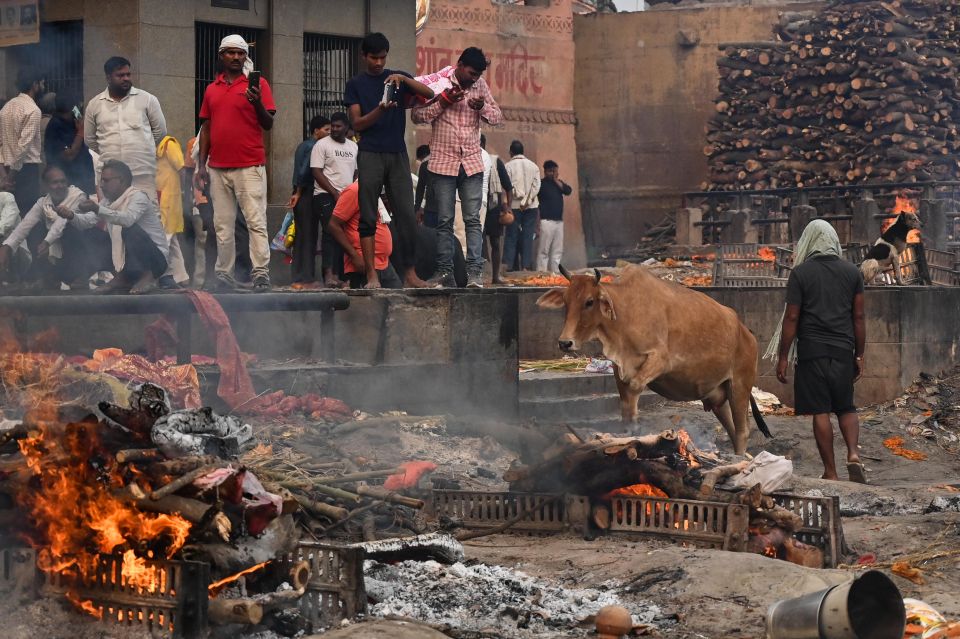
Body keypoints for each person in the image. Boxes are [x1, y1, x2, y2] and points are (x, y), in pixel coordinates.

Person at [771, 219, 866, 483]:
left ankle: (831, 472)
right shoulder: (852, 273)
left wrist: (782, 357)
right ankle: (853, 454)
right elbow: (859, 317)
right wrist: (859, 355)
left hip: (812, 351)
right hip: (843, 350)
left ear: (809, 242)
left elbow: (791, 317)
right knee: (846, 408)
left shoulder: (801, 273)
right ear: (834, 241)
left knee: (821, 411)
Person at [344, 31, 433, 289]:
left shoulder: (396, 78)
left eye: (383, 58)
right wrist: (380, 110)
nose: (379, 63)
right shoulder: (355, 84)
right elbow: (357, 123)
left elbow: (428, 94)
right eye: (374, 58)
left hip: (397, 153)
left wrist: (403, 78)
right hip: (370, 152)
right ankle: (372, 275)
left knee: (406, 215)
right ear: (364, 56)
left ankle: (410, 273)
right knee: (368, 215)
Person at [411, 47, 502, 288]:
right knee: (444, 221)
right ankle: (445, 273)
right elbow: (417, 116)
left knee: (473, 220)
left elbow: (497, 117)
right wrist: (443, 101)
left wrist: (481, 107)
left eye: (478, 75)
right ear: (460, 65)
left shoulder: (480, 86)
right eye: (471, 73)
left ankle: (475, 274)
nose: (474, 78)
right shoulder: (440, 83)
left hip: (471, 162)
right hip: (442, 162)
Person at [195, 34, 276, 292]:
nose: (236, 57)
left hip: (249, 164)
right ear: (222, 56)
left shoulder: (259, 84)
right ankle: (224, 274)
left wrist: (257, 102)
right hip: (217, 167)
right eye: (230, 53)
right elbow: (206, 128)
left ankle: (261, 274)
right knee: (222, 224)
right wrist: (200, 166)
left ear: (245, 57)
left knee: (255, 222)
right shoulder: (211, 89)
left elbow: (268, 123)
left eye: (240, 53)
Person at [60, 160, 168, 295]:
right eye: (101, 181)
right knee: (90, 233)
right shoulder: (108, 201)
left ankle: (148, 277)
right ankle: (121, 278)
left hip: (155, 261)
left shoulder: (138, 197)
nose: (102, 185)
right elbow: (87, 222)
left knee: (127, 228)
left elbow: (127, 219)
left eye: (106, 181)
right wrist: (71, 215)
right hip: (129, 262)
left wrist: (97, 208)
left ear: (121, 180)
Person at [0, 165, 111, 288]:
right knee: (34, 229)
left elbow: (61, 223)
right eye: (55, 182)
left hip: (85, 250)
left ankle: (81, 276)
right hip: (57, 249)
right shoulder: (43, 202)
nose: (60, 185)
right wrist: (6, 247)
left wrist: (47, 242)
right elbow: (24, 225)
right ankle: (50, 276)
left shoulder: (78, 196)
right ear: (46, 186)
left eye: (63, 181)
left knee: (70, 229)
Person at [84, 57, 167, 197]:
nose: (126, 78)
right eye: (120, 75)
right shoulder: (94, 104)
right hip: (110, 178)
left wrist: (143, 149)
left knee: (147, 217)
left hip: (141, 174)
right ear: (108, 77)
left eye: (128, 74)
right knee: (112, 216)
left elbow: (160, 131)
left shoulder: (147, 99)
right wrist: (110, 153)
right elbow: (90, 140)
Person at [310, 111, 357, 288]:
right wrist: (334, 193)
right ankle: (328, 274)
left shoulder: (353, 147)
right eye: (333, 126)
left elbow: (356, 172)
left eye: (338, 126)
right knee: (330, 232)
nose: (335, 129)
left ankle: (341, 275)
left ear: (346, 127)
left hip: (347, 197)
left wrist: (351, 192)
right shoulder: (321, 145)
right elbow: (316, 171)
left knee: (345, 235)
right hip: (325, 195)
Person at [327, 180, 402, 289]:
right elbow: (333, 225)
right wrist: (354, 256)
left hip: (384, 263)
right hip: (363, 264)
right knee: (370, 305)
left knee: (399, 301)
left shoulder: (373, 191)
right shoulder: (354, 190)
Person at [289, 114, 330, 286]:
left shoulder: (303, 145)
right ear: (316, 131)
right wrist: (299, 192)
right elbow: (304, 171)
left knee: (301, 236)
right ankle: (307, 277)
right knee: (309, 236)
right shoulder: (315, 146)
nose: (329, 133)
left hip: (301, 193)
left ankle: (298, 276)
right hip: (306, 193)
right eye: (326, 130)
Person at [0, 67, 45, 216]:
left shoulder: (6, 108)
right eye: (42, 83)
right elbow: (23, 147)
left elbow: (1, 143)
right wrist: (11, 178)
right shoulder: (33, 110)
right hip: (25, 170)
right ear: (34, 84)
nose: (43, 87)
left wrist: (4, 177)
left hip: (7, 170)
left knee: (10, 214)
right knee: (27, 214)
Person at [44, 93, 95, 195]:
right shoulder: (55, 126)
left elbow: (82, 121)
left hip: (85, 174)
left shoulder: (74, 116)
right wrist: (81, 132)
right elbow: (69, 155)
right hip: (69, 178)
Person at [156, 135, 190, 288]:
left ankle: (163, 276)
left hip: (169, 198)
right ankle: (181, 277)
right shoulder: (156, 147)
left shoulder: (169, 144)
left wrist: (184, 192)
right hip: (160, 196)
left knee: (164, 239)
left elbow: (182, 169)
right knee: (172, 240)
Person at [503, 140, 540, 272]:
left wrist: (517, 198)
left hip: (514, 205)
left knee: (512, 235)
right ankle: (525, 266)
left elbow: (507, 187)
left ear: (511, 152)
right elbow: (537, 187)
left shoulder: (508, 166)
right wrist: (527, 200)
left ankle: (508, 266)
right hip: (531, 206)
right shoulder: (534, 166)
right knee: (528, 235)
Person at [480, 135, 512, 285]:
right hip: (475, 205)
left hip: (493, 206)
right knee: (477, 241)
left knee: (495, 242)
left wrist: (508, 208)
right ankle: (480, 276)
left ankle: (495, 277)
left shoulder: (494, 161)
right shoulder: (467, 159)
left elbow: (508, 187)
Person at [536, 160, 573, 274]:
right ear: (546, 171)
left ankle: (556, 272)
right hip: (546, 221)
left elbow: (568, 191)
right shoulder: (541, 184)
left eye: (556, 171)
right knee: (544, 249)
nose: (554, 174)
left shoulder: (558, 184)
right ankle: (542, 272)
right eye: (552, 171)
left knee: (558, 250)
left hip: (558, 222)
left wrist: (556, 180)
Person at [414, 144, 439, 228]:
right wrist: (417, 209)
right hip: (430, 211)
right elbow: (420, 189)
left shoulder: (451, 165)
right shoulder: (425, 166)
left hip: (445, 211)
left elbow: (420, 189)